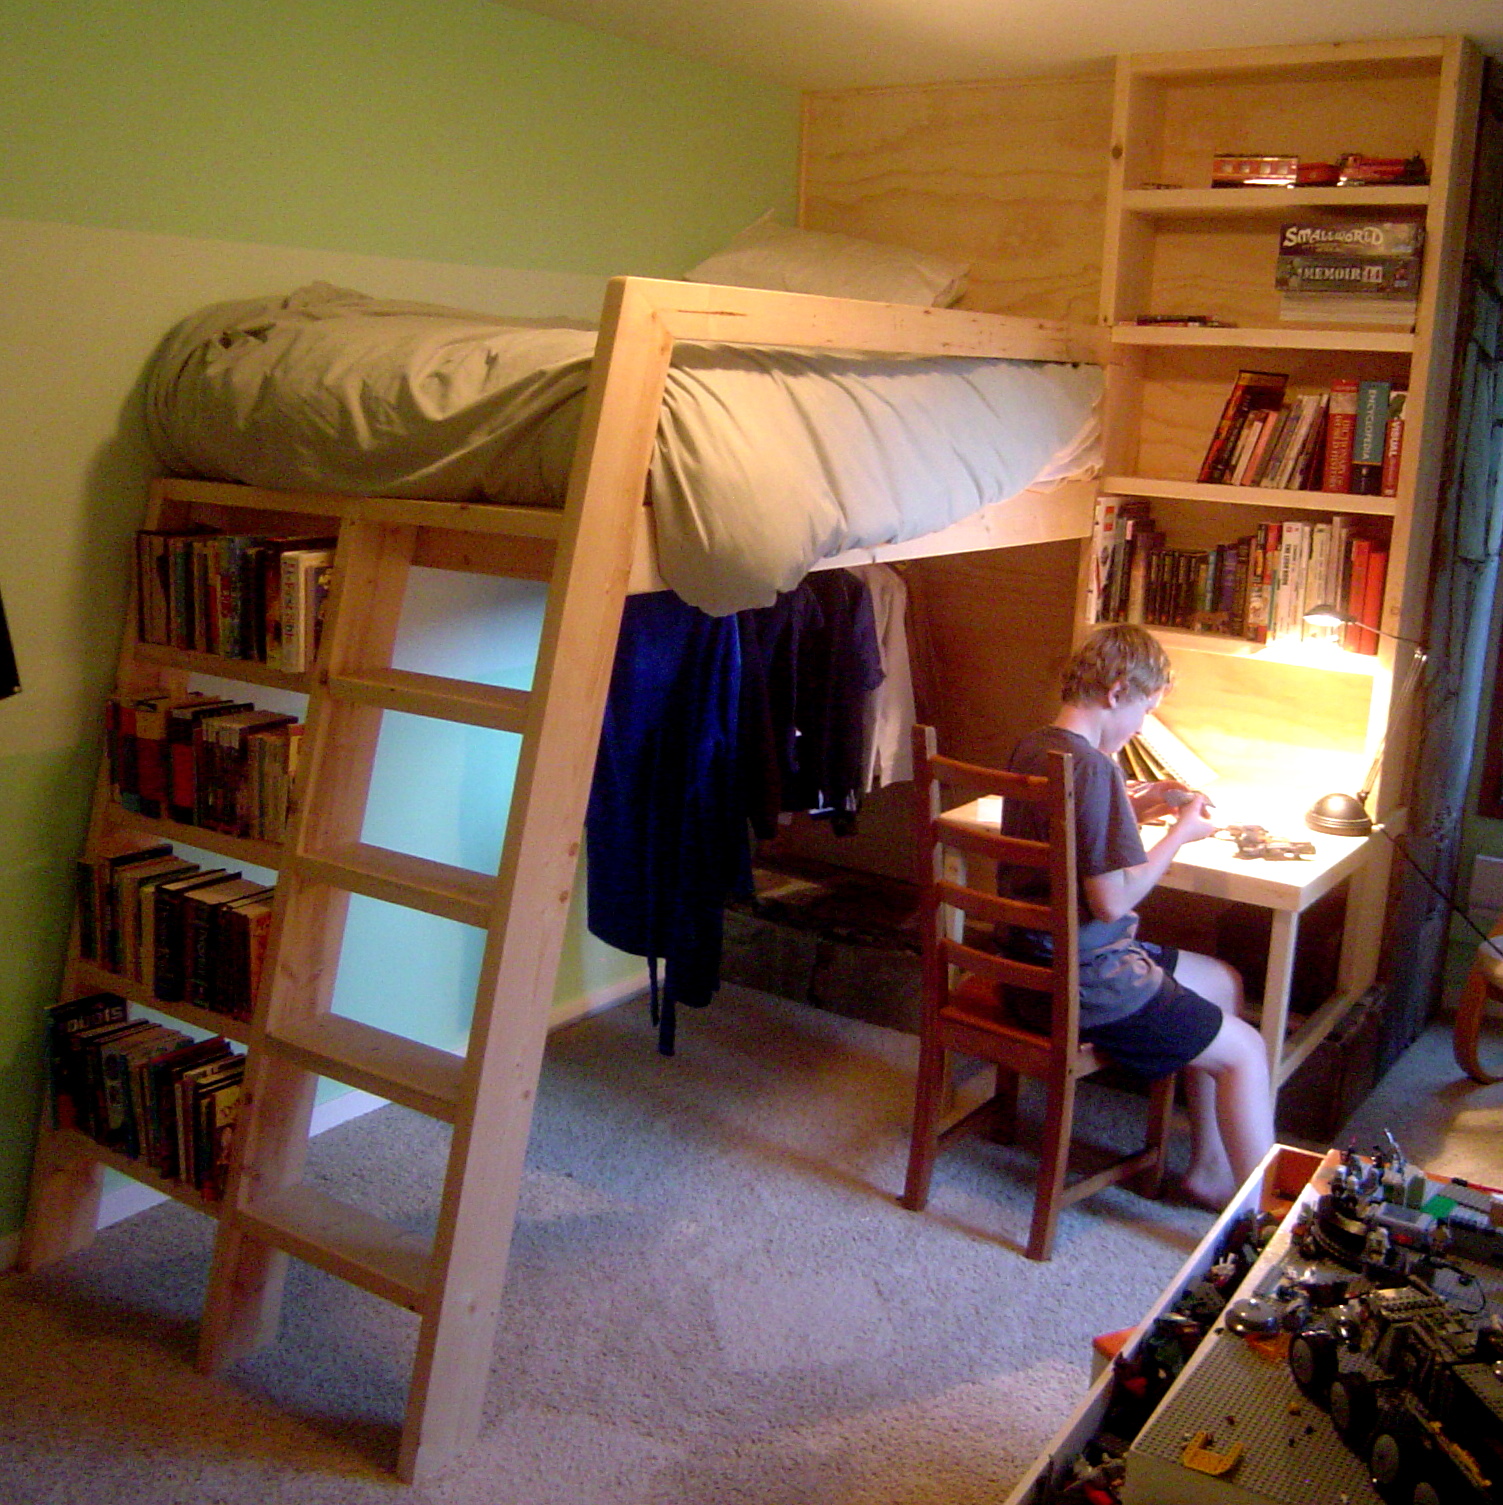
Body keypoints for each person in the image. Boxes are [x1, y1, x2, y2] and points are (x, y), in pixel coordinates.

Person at [1001, 624, 1273, 1210]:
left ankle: (1208, 1169)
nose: (1143, 727)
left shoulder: (1037, 746)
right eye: (1147, 711)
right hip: (1085, 982)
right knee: (1247, 1051)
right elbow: (1113, 902)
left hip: (1028, 970)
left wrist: (1135, 805)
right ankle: (1260, 1223)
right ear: (1118, 691)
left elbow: (1076, 834)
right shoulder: (1097, 770)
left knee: (1225, 981)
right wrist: (1179, 833)